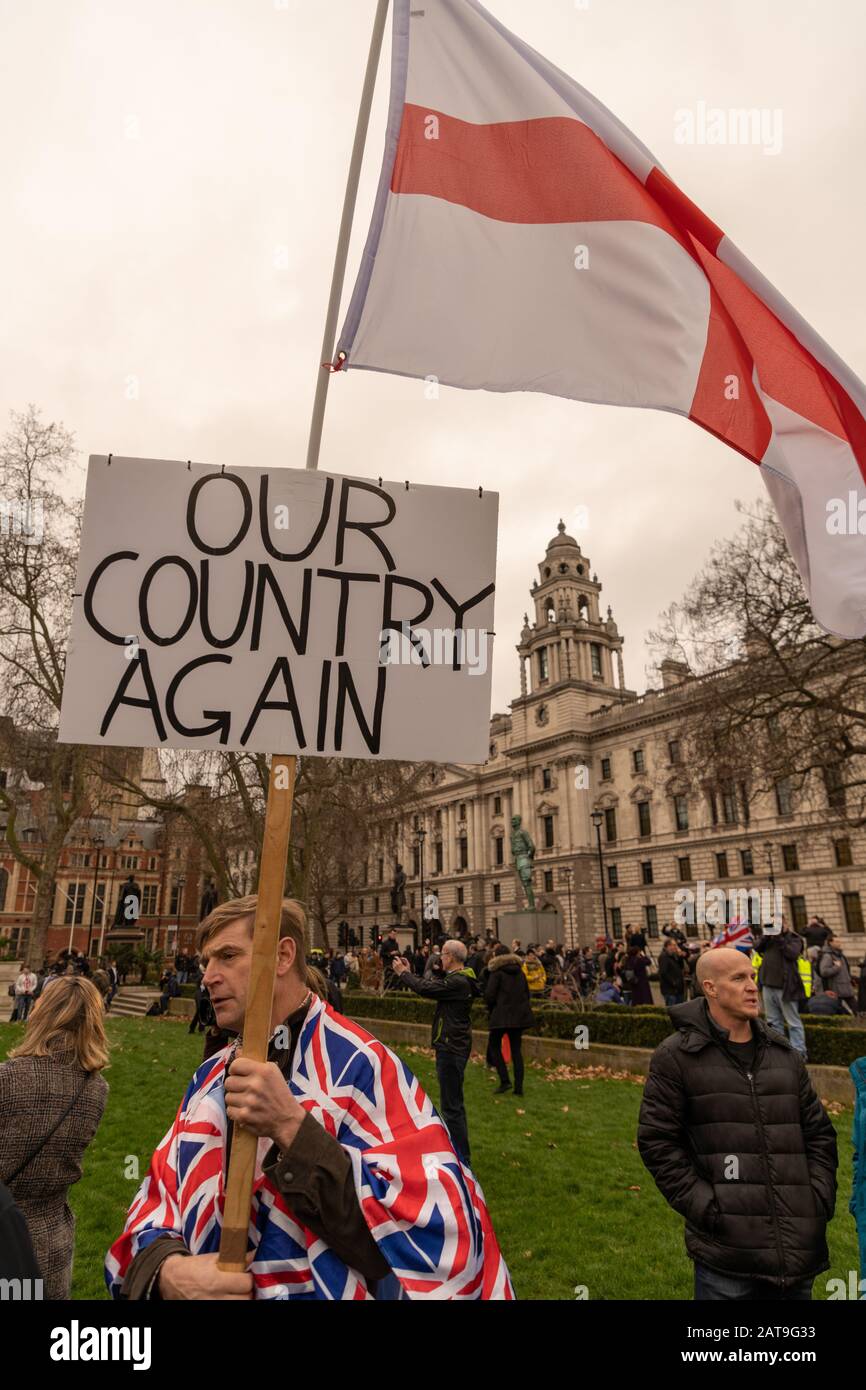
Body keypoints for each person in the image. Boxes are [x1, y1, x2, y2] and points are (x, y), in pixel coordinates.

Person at [107, 896, 510, 1300]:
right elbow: (157, 1198)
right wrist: (170, 1272)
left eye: (227, 956)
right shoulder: (208, 1078)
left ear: (283, 956)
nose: (208, 976)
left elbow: (440, 1238)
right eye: (205, 962)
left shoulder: (361, 1064)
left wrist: (292, 1130)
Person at [638, 947, 837, 1300]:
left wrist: (817, 1198)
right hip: (726, 1257)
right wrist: (707, 1207)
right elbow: (657, 1142)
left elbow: (819, 1135)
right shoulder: (675, 1057)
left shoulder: (784, 1054)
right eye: (739, 978)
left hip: (797, 1252)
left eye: (752, 977)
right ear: (710, 988)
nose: (752, 987)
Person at [0, 975, 109, 1298]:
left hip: (6, 1233)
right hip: (53, 1237)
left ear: (41, 1012)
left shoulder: (6, 1078)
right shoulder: (97, 1089)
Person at [392, 940, 475, 1166]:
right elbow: (432, 984)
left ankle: (461, 1158)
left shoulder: (459, 982)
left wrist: (403, 974)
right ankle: (457, 1151)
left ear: (451, 957)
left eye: (442, 954)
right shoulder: (459, 979)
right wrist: (412, 972)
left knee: (452, 1106)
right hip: (452, 1045)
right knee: (452, 1102)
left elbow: (426, 989)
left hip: (451, 1047)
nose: (440, 958)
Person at [483, 943, 534, 1096]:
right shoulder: (520, 972)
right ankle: (519, 1088)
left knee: (494, 1046)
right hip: (518, 1016)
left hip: (501, 1015)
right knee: (516, 1051)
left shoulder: (496, 973)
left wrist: (491, 1006)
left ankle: (505, 1080)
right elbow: (527, 993)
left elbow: (489, 996)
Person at [753, 921, 808, 1057]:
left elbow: (793, 954)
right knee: (773, 1021)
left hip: (786, 987)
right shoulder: (768, 940)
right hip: (767, 985)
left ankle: (799, 1053)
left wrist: (779, 938)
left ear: (786, 923)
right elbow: (757, 948)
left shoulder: (794, 938)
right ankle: (780, 1051)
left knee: (793, 1022)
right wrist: (767, 936)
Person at [817, 933, 856, 1015]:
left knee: (857, 1009)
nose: (839, 943)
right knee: (838, 1011)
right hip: (836, 990)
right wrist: (836, 967)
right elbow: (824, 972)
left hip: (846, 987)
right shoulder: (827, 956)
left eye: (839, 941)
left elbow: (846, 971)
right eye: (837, 941)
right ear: (830, 943)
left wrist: (851, 979)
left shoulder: (841, 955)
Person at [658, 940, 686, 1007]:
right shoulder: (664, 957)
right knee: (672, 1009)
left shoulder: (674, 956)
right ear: (668, 946)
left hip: (678, 989)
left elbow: (681, 967)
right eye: (674, 945)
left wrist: (680, 957)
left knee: (680, 1008)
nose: (676, 947)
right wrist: (673, 982)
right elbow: (663, 972)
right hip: (670, 990)